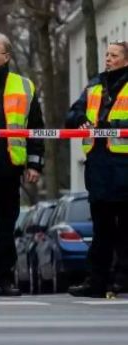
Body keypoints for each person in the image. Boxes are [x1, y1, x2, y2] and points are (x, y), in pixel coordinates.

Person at [0, 33, 45, 296]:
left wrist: (35, 164)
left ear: (6, 56)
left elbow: (36, 128)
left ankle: (1, 278)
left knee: (5, 226)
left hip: (8, 165)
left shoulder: (24, 86)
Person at [65, 41, 128, 297]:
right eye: (107, 54)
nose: (108, 59)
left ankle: (123, 280)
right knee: (101, 230)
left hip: (124, 168)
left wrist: (113, 123)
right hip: (99, 169)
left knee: (125, 231)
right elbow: (73, 114)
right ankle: (96, 281)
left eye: (114, 55)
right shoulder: (94, 85)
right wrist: (81, 120)